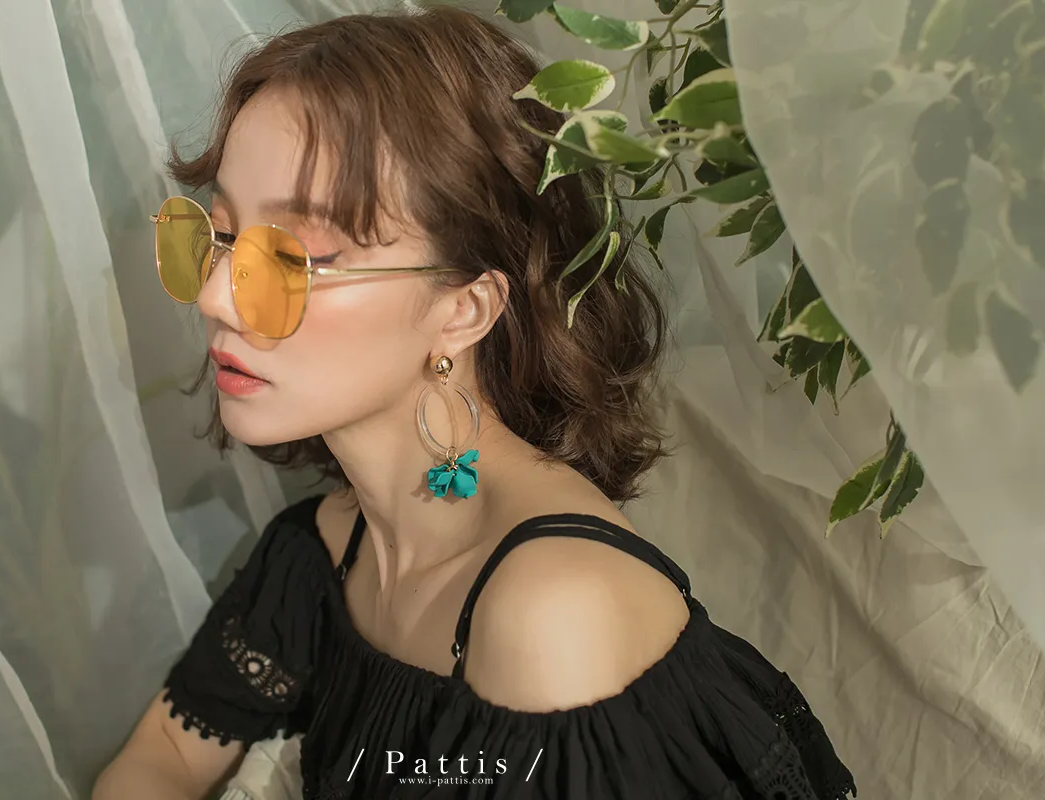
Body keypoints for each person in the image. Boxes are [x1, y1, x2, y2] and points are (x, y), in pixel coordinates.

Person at [94, 5, 855, 799]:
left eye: (295, 258)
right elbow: (165, 755)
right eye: (218, 235)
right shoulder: (324, 554)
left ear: (466, 308)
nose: (216, 295)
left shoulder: (554, 617)